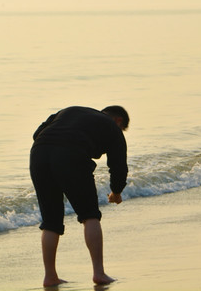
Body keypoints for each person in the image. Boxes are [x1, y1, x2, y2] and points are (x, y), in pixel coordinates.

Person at [29, 105, 130, 286]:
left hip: (39, 154)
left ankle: (50, 276)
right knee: (89, 215)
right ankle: (99, 273)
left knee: (51, 220)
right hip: (71, 155)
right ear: (119, 121)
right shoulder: (112, 127)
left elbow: (37, 134)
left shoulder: (71, 110)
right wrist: (116, 191)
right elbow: (118, 165)